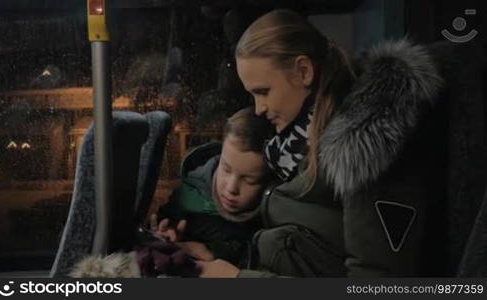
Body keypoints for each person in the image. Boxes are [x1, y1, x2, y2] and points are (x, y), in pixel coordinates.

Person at [196, 9, 447, 277]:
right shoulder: (291, 141)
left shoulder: (361, 147)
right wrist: (212, 248)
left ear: (303, 71)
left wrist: (236, 279)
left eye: (263, 92)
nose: (258, 109)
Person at [150, 106, 275, 268]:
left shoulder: (275, 217)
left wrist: (215, 253)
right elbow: (165, 223)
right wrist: (165, 233)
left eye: (249, 180)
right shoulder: (187, 195)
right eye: (226, 169)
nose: (231, 188)